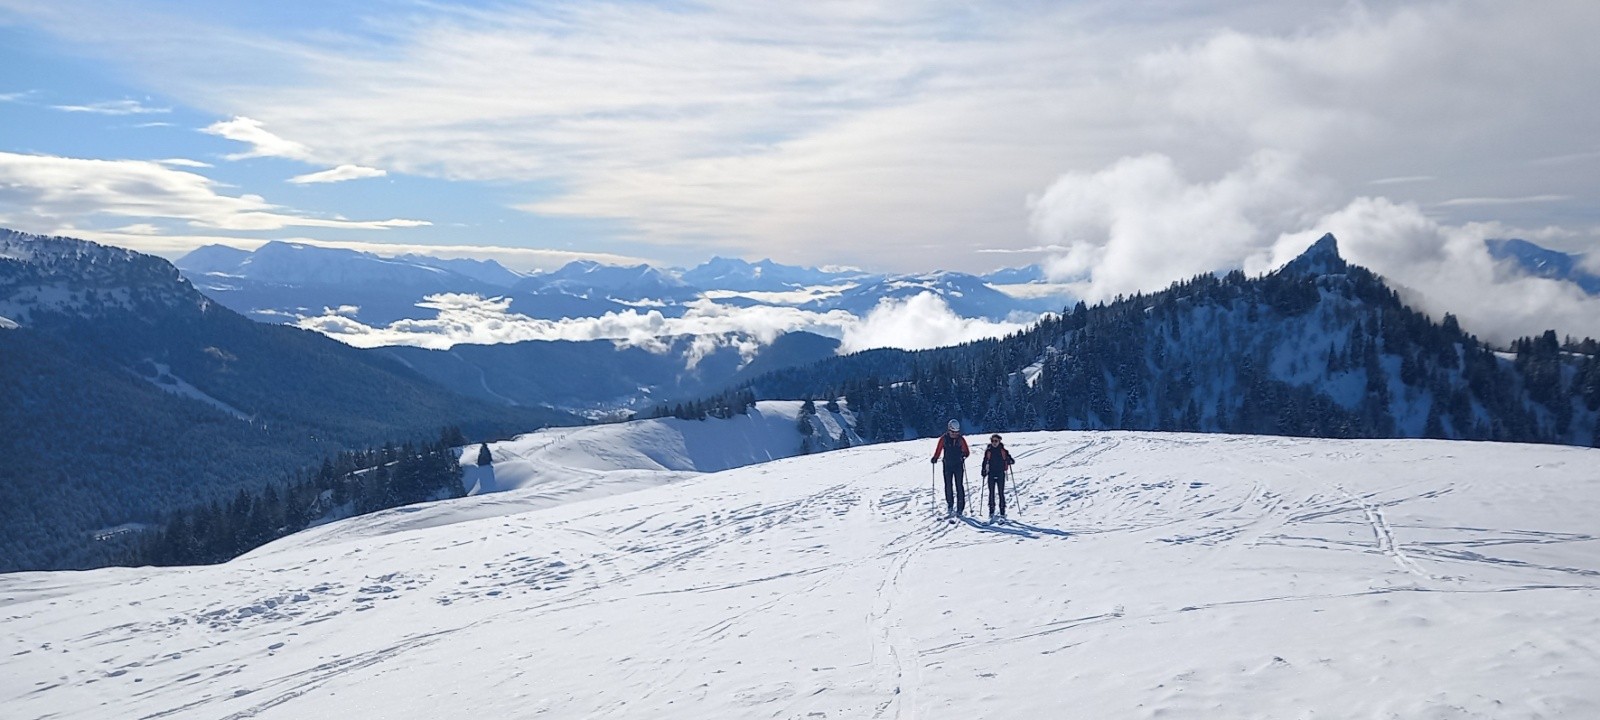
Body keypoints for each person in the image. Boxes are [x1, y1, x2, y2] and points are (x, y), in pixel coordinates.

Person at [931, 419, 969, 516]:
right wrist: (935, 458)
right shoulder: (943, 439)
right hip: (947, 465)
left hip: (958, 465)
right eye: (953, 432)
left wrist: (963, 455)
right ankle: (950, 504)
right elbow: (939, 449)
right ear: (949, 430)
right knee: (948, 485)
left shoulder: (960, 439)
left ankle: (960, 507)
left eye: (957, 432)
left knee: (959, 485)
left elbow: (967, 451)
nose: (955, 434)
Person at [980, 434, 1015, 519]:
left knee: (1001, 492)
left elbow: (1012, 461)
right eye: (992, 441)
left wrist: (1009, 460)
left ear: (999, 441)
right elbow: (985, 461)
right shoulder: (988, 451)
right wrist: (983, 470)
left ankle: (1002, 511)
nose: (994, 443)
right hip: (991, 473)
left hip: (1000, 473)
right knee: (991, 493)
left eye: (996, 441)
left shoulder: (1003, 451)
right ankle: (991, 510)